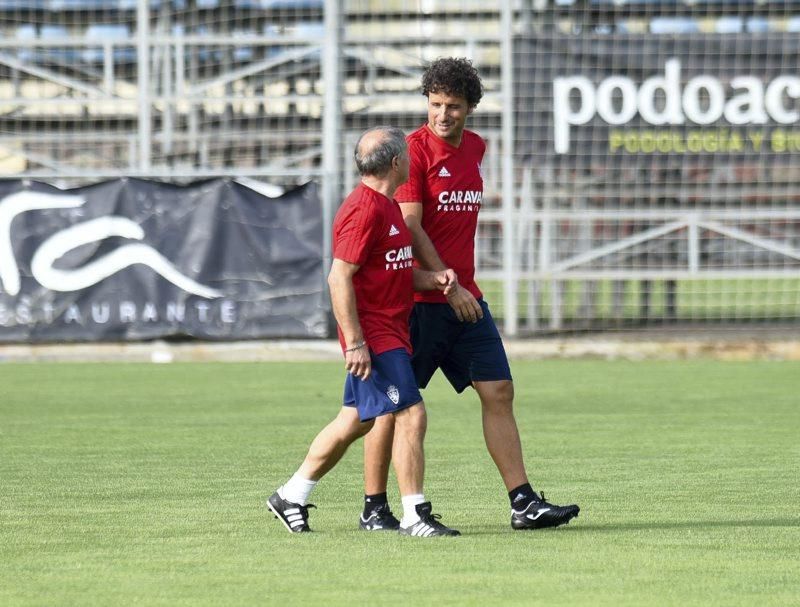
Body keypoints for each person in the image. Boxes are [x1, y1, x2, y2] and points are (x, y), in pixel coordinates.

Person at [359, 58, 580, 532]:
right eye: (435, 104)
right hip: (420, 302)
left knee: (499, 390)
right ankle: (374, 506)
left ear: (471, 108)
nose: (442, 114)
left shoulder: (477, 148)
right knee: (392, 407)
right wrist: (448, 282)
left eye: (453, 106)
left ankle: (523, 503)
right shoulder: (413, 152)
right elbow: (412, 224)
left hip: (465, 299)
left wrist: (462, 289)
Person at [268, 126, 460, 537]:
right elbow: (339, 277)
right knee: (411, 412)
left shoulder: (387, 206)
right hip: (374, 335)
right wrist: (354, 342)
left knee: (355, 421)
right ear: (396, 163)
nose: (411, 160)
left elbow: (390, 272)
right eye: (407, 155)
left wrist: (433, 279)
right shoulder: (365, 209)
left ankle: (291, 494)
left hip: (391, 329)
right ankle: (415, 515)